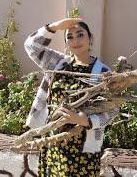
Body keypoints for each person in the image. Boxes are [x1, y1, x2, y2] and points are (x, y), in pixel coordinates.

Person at [24, 18, 117, 176]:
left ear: (90, 38)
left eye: (80, 35)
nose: (75, 40)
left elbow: (114, 109)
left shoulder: (103, 73)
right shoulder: (58, 63)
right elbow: (31, 46)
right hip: (53, 141)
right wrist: (55, 27)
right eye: (69, 37)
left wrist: (86, 121)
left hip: (82, 148)